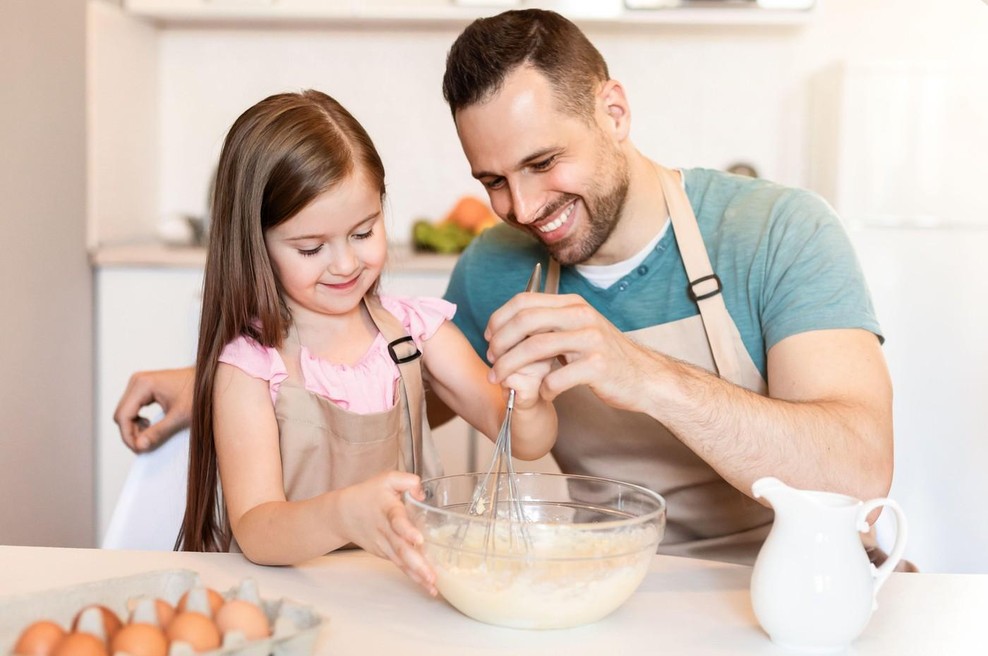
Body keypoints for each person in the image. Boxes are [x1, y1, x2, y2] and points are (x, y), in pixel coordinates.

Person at [115, 10, 892, 565]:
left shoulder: (778, 231)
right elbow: (397, 378)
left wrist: (642, 375)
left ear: (613, 111)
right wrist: (218, 383)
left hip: (788, 588)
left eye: (544, 163)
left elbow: (859, 471)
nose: (522, 209)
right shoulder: (495, 263)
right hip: (608, 584)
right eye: (493, 179)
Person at [168, 89, 556, 594]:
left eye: (363, 232)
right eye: (311, 248)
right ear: (254, 243)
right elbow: (257, 530)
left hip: (405, 594)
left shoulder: (415, 332)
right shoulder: (252, 367)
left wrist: (527, 397)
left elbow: (528, 441)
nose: (346, 264)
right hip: (290, 603)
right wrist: (344, 515)